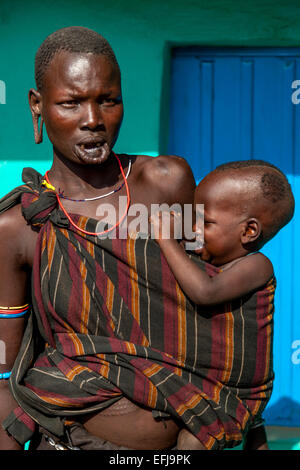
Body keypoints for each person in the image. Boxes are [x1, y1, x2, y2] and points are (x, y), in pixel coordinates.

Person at [0, 26, 276, 451]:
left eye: (108, 100)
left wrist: (248, 425)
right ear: (38, 106)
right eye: (71, 102)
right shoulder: (20, 226)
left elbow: (214, 318)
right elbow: (5, 371)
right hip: (68, 441)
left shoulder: (164, 183)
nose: (93, 120)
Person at [150, 159, 295, 449]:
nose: (193, 230)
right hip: (213, 380)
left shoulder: (257, 266)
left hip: (241, 390)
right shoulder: (210, 262)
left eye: (205, 222)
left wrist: (165, 240)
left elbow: (205, 292)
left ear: (249, 232)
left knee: (192, 441)